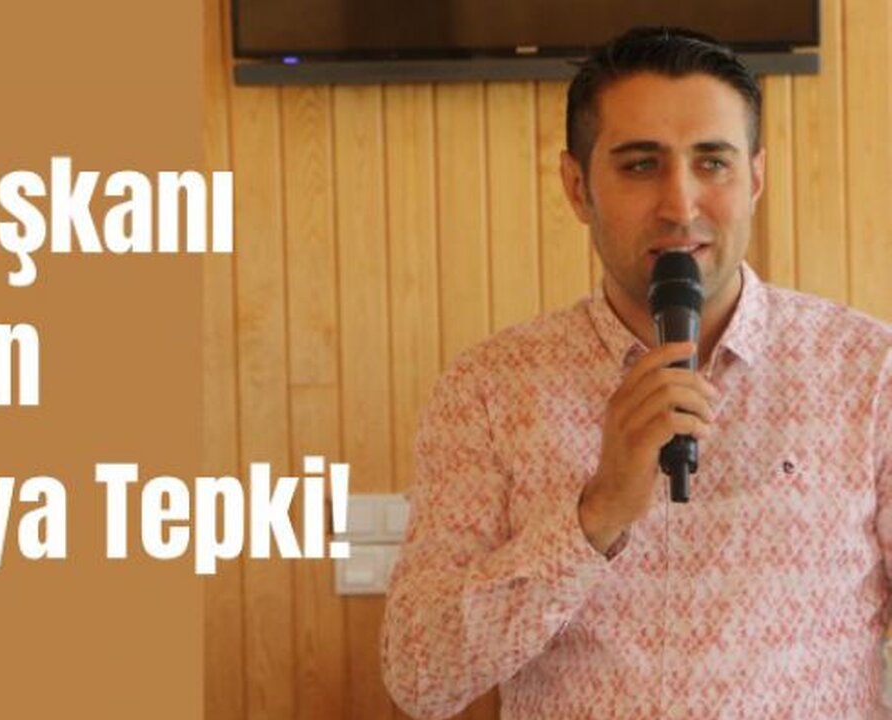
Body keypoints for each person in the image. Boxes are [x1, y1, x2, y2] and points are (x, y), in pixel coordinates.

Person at [381, 26, 892, 720]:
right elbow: (421, 679)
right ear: (577, 187)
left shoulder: (868, 373)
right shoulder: (490, 389)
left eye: (712, 163)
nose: (680, 205)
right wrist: (595, 515)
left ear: (755, 179)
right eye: (641, 165)